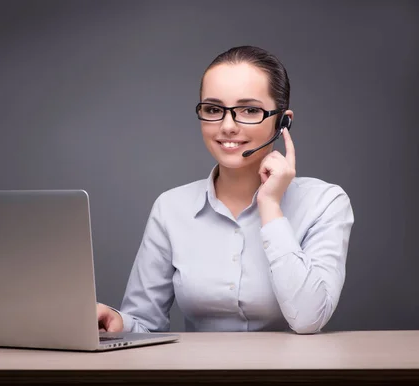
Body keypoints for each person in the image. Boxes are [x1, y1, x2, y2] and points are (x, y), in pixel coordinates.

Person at [97, 45, 354, 334]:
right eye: (213, 109)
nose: (227, 126)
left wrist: (270, 205)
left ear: (283, 122)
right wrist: (117, 322)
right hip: (200, 378)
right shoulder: (170, 207)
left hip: (292, 378)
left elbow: (309, 319)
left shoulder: (324, 202)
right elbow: (144, 322)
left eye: (249, 110)